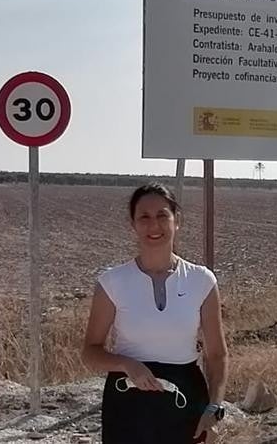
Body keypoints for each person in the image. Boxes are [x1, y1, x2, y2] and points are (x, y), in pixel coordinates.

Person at [81, 182, 229, 443]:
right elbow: (91, 351)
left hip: (186, 399)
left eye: (162, 215)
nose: (154, 225)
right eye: (144, 217)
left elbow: (217, 355)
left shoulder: (201, 281)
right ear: (133, 224)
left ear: (177, 220)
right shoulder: (112, 282)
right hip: (127, 402)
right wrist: (126, 364)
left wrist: (214, 409)